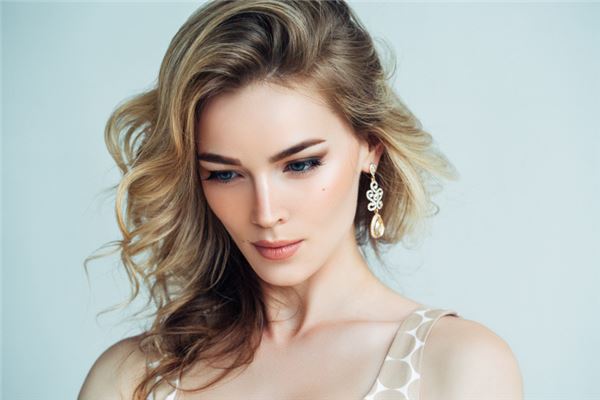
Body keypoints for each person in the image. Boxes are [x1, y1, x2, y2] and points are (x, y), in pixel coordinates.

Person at [78, 1, 523, 399]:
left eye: (300, 164)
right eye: (225, 174)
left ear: (370, 147)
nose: (266, 213)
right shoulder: (134, 377)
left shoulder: (456, 366)